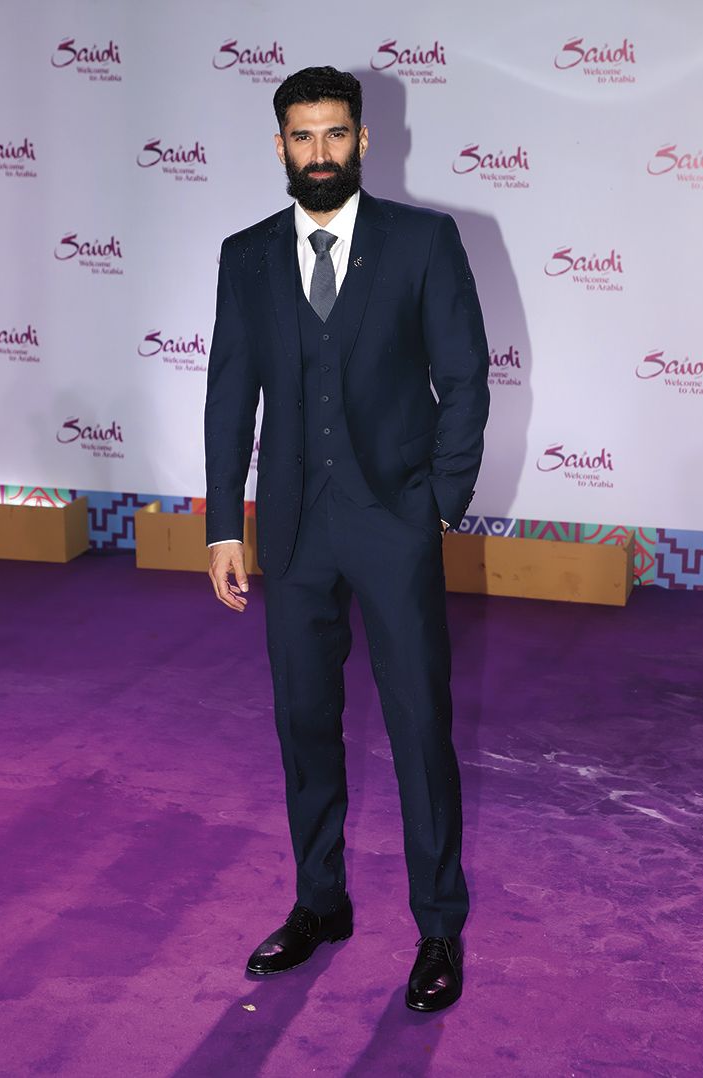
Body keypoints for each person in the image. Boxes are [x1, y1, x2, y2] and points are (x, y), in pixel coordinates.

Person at [204, 66, 490, 1013]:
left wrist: (438, 504)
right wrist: (222, 526)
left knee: (417, 725)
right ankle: (320, 903)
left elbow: (465, 377)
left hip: (393, 521)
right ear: (280, 145)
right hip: (292, 531)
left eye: (335, 134)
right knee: (303, 723)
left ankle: (437, 926)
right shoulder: (246, 255)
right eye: (302, 136)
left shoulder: (422, 241)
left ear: (363, 140)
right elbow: (228, 396)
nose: (319, 153)